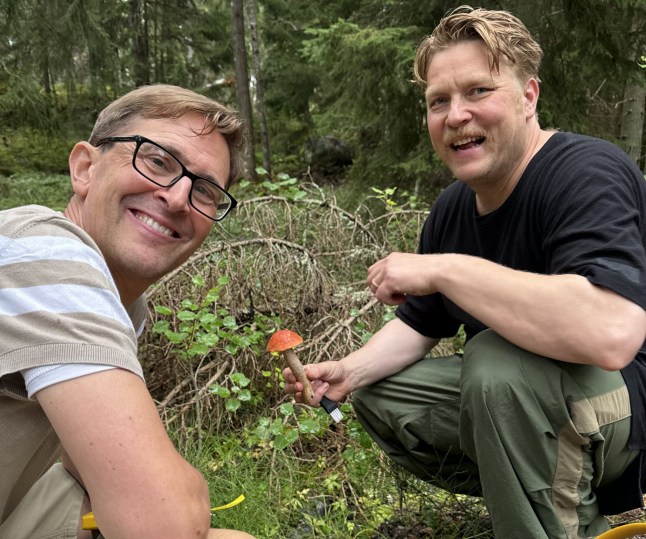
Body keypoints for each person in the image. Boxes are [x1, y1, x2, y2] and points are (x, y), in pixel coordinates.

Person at [284, 6, 646, 538]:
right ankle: (532, 494)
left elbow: (611, 334)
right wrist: (350, 373)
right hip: (550, 403)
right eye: (439, 102)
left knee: (496, 365)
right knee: (385, 391)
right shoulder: (453, 209)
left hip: (628, 405)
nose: (456, 115)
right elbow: (421, 325)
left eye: (479, 91)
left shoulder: (585, 172)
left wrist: (448, 269)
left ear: (528, 97)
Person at [0, 84, 255, 539]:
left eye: (206, 190)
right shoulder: (41, 250)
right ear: (85, 168)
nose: (178, 199)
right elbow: (163, 524)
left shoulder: (127, 304)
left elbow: (81, 460)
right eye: (157, 161)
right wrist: (181, 490)